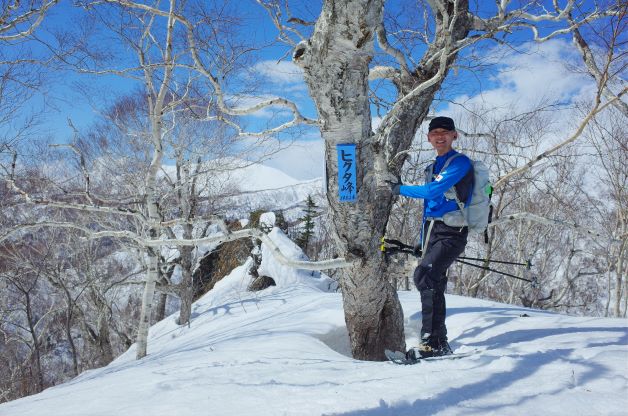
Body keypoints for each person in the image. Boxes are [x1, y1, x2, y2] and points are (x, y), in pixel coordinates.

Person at [391, 116, 473, 358]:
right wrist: (421, 240)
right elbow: (429, 206)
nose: (440, 136)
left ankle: (432, 341)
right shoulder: (432, 167)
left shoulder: (460, 163)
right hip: (433, 230)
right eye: (435, 132)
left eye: (445, 132)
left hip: (453, 231)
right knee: (433, 280)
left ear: (454, 135)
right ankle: (439, 342)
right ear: (428, 138)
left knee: (425, 275)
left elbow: (431, 191)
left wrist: (398, 188)